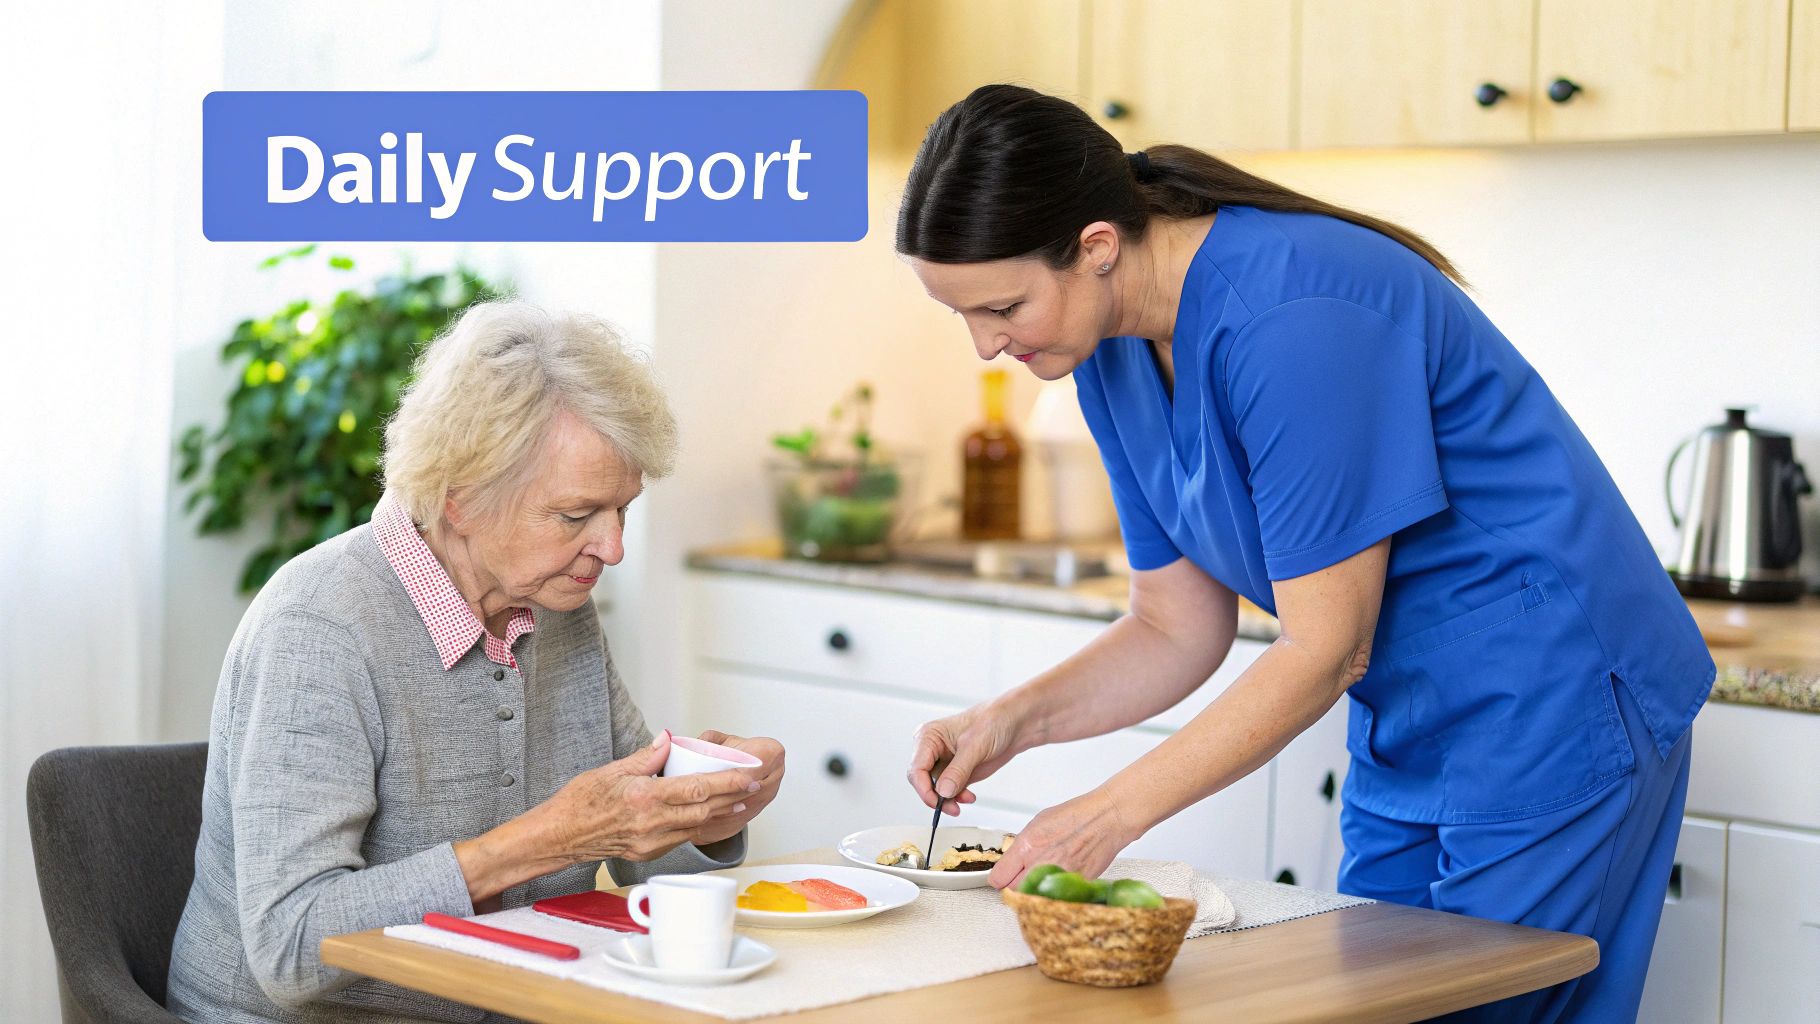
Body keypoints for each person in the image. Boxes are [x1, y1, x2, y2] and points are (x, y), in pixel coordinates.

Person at [896, 84, 1712, 1022]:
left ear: (1096, 247)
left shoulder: (1293, 313)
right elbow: (1173, 626)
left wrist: (1105, 816)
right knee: (1371, 1005)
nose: (986, 345)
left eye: (1001, 306)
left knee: (1488, 1005)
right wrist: (1011, 722)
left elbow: (1325, 647)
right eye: (962, 315)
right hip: (1406, 716)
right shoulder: (1106, 351)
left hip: (1556, 695)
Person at [167, 300, 785, 1023]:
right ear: (461, 497)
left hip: (516, 1000)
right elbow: (292, 945)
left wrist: (707, 804)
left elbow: (634, 851)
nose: (612, 548)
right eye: (576, 514)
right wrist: (541, 841)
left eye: (624, 510)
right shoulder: (321, 627)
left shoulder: (557, 609)